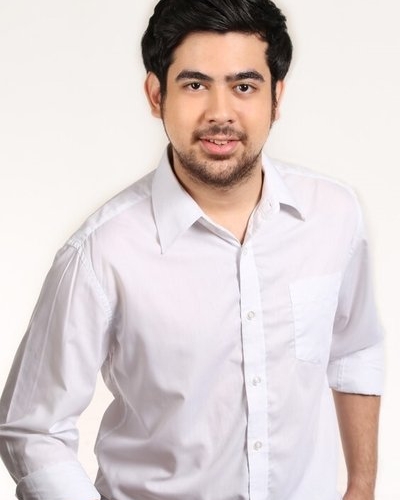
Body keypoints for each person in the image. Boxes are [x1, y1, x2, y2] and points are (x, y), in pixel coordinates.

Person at [0, 0, 384, 499]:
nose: (220, 113)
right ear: (156, 94)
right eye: (195, 85)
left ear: (276, 97)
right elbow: (33, 428)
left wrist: (361, 486)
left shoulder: (333, 214)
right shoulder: (102, 253)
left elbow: (355, 347)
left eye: (244, 86)